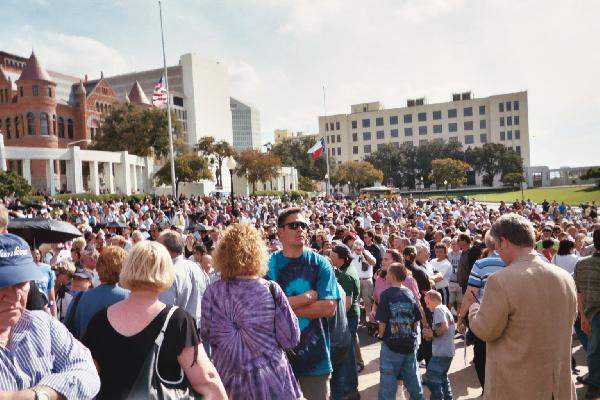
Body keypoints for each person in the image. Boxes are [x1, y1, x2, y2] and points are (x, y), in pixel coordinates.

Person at [82, 240, 227, 399]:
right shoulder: (178, 320)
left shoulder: (100, 320)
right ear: (166, 271)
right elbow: (207, 380)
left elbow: (85, 379)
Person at [468, 213, 577, 399]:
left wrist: (473, 311)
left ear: (504, 241)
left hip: (518, 387)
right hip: (558, 388)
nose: (497, 252)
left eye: (496, 246)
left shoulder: (500, 280)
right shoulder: (564, 276)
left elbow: (486, 330)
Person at [200, 223, 302, 399]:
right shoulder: (271, 289)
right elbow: (291, 338)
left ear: (222, 255)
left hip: (229, 384)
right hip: (273, 383)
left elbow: (207, 333)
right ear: (257, 253)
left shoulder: (212, 292)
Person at [0, 233, 100, 399]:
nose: (15, 295)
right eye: (2, 284)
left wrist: (41, 395)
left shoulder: (42, 323)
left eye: (21, 283)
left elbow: (87, 370)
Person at [268, 208, 340, 400]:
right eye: (294, 225)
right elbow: (265, 309)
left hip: (316, 360)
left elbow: (329, 307)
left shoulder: (320, 263)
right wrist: (307, 298)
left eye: (303, 225)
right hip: (277, 359)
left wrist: (281, 305)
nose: (300, 229)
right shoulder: (268, 265)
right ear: (280, 232)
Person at [457, 231, 505, 389]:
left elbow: (470, 295)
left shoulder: (481, 264)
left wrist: (461, 317)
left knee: (482, 357)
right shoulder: (512, 262)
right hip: (508, 317)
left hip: (486, 317)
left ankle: (488, 390)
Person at [376, 263, 424, 400]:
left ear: (392, 276)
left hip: (391, 345)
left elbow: (383, 322)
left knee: (388, 381)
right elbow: (416, 320)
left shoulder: (385, 295)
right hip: (409, 343)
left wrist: (380, 336)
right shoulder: (409, 293)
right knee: (413, 379)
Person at [70, 246, 130, 339]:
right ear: (122, 269)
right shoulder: (128, 298)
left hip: (85, 351)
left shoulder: (81, 296)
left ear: (98, 267)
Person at [157, 229, 209, 324]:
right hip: (197, 328)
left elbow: (165, 312)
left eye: (158, 247)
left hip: (178, 331)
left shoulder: (168, 274)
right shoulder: (196, 267)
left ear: (166, 249)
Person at [329, 244, 360, 399]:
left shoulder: (346, 276)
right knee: (348, 354)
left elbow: (347, 304)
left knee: (346, 356)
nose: (331, 258)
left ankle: (350, 388)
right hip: (350, 317)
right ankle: (351, 387)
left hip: (349, 318)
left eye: (334, 257)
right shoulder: (345, 271)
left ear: (343, 259)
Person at [574, 229, 600, 399]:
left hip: (588, 314)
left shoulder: (581, 263)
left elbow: (579, 292)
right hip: (593, 315)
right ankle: (594, 382)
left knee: (593, 348)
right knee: (593, 350)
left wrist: (582, 315)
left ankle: (594, 380)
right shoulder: (583, 264)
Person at [423, 290, 455, 400]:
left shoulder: (438, 309)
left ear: (434, 300)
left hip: (441, 353)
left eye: (427, 303)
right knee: (442, 377)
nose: (426, 306)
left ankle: (438, 397)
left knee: (430, 377)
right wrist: (431, 334)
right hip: (447, 351)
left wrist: (433, 333)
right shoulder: (445, 309)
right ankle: (448, 397)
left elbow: (444, 327)